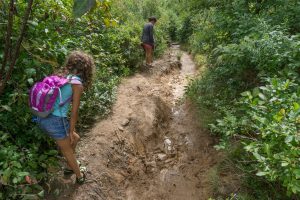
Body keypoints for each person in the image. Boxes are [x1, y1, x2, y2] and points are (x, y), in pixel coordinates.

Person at [36, 51, 95, 184]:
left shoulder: (60, 76)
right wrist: (70, 131)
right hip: (56, 121)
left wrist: (71, 132)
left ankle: (69, 167)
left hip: (43, 117)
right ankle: (80, 176)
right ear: (86, 69)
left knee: (76, 138)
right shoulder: (77, 85)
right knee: (67, 148)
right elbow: (74, 113)